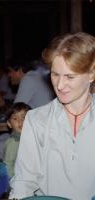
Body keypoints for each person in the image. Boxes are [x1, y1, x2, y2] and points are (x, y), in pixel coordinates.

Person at [9, 32, 95, 200]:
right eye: (55, 74)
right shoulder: (36, 120)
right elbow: (24, 181)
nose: (60, 85)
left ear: (91, 74)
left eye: (70, 76)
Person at [3, 102, 30, 179]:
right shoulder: (13, 142)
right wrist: (14, 182)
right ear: (9, 124)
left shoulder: (31, 138)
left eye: (24, 117)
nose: (20, 121)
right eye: (15, 118)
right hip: (17, 180)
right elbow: (8, 167)